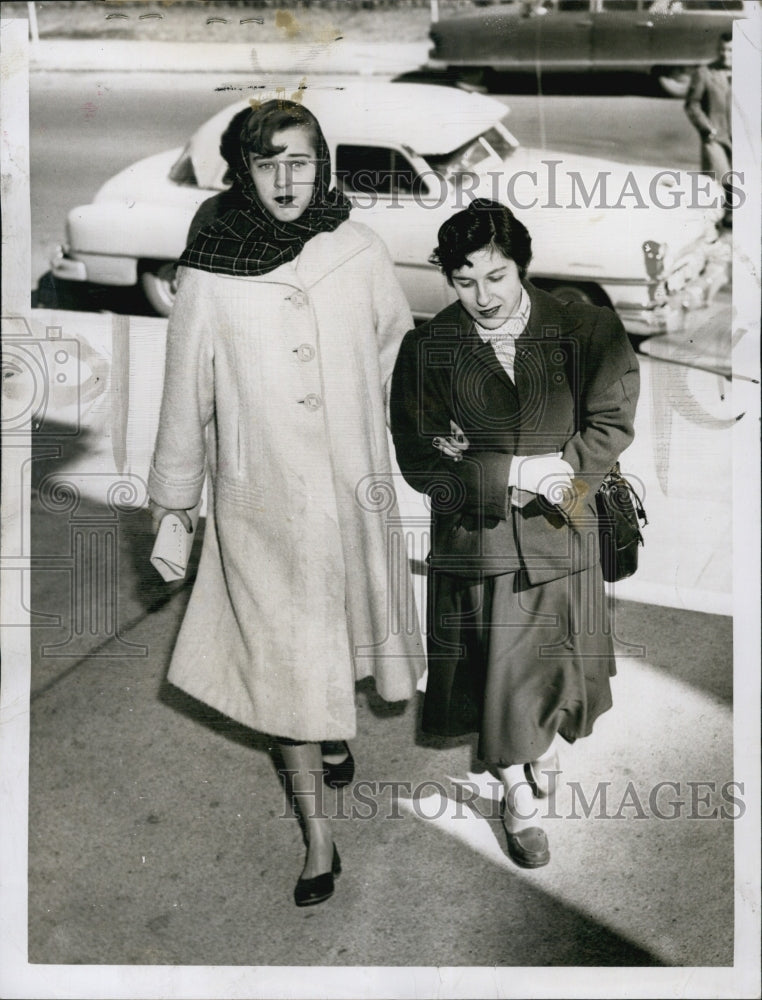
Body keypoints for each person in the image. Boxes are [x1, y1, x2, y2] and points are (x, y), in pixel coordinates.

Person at [148, 99, 422, 906]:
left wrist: (441, 446)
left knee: (332, 636)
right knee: (281, 665)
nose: (285, 180)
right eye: (267, 163)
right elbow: (183, 395)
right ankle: (318, 838)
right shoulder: (208, 263)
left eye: (299, 160)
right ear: (244, 169)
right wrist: (175, 502)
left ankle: (332, 726)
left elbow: (397, 365)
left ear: (323, 164)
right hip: (258, 501)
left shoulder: (360, 251)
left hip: (350, 491)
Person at [390, 200, 639, 869]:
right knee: (497, 682)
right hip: (484, 547)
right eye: (464, 280)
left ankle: (540, 747)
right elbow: (420, 460)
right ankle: (515, 796)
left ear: (521, 266)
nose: (483, 296)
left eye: (496, 276)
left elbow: (612, 416)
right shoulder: (428, 349)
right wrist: (511, 473)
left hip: (566, 537)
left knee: (555, 674)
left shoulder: (585, 329)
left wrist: (565, 471)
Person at [685, 31, 733, 225]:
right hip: (716, 137)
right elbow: (692, 104)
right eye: (722, 49)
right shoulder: (704, 73)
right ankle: (727, 215)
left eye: (730, 50)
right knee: (724, 178)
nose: (725, 54)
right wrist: (707, 129)